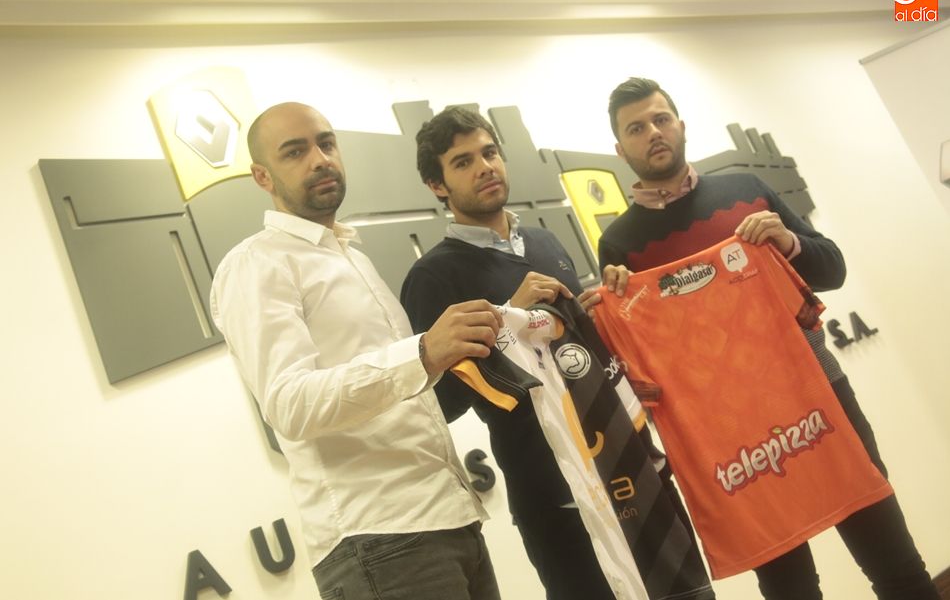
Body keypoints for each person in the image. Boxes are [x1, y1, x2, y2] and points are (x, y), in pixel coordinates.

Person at [598, 77, 939, 600]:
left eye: (661, 119)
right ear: (621, 150)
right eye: (636, 128)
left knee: (896, 565)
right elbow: (630, 358)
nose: (654, 133)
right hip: (732, 436)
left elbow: (833, 269)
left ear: (681, 125)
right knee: (790, 590)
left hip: (820, 398)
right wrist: (611, 306)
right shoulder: (619, 244)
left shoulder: (746, 190)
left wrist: (788, 241)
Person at [400, 106, 713, 600]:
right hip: (554, 495)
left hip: (628, 465)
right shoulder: (432, 276)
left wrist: (594, 311)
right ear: (436, 185)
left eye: (489, 153)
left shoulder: (545, 242)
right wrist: (509, 316)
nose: (485, 167)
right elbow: (440, 403)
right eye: (463, 162)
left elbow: (572, 350)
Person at [210, 102, 504, 600]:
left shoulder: (352, 257)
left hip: (448, 516)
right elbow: (289, 405)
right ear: (262, 176)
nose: (320, 159)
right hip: (378, 540)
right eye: (295, 152)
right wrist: (423, 353)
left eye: (326, 143)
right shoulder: (256, 264)